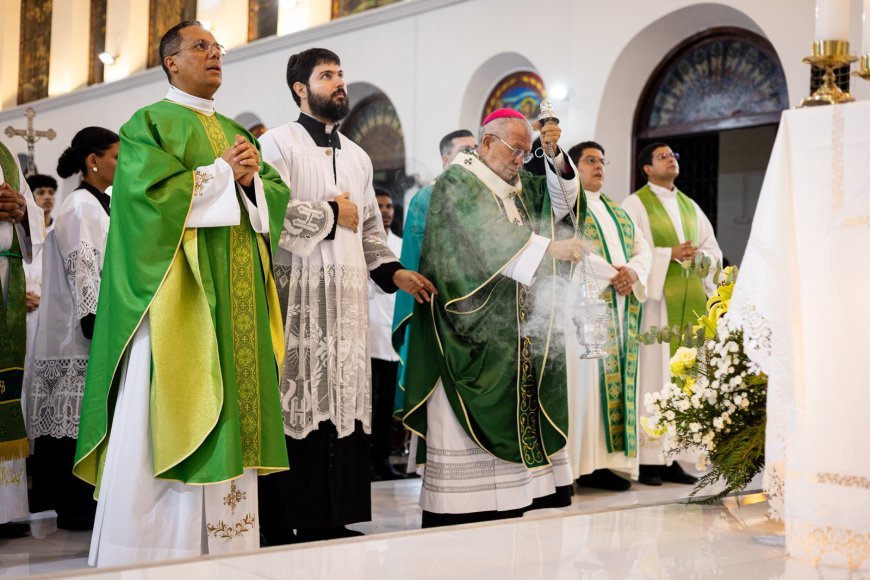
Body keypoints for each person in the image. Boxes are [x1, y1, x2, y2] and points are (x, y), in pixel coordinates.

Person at [73, 20, 291, 566]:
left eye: (218, 48)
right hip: (180, 303)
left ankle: (230, 547)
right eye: (201, 47)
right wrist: (223, 174)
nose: (215, 54)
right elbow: (147, 204)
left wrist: (251, 182)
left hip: (236, 299)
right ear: (171, 61)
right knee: (173, 406)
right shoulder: (148, 123)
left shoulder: (237, 130)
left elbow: (272, 199)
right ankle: (152, 550)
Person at [257, 47, 435, 544]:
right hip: (298, 307)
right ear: (300, 88)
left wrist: (397, 273)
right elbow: (266, 218)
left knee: (345, 409)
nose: (339, 83)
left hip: (349, 309)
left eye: (341, 75)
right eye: (326, 75)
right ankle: (288, 517)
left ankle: (336, 515)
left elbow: (373, 236)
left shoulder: (358, 155)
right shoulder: (277, 145)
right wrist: (332, 216)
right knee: (301, 403)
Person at [402, 108, 586, 527]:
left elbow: (562, 205)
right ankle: (462, 505)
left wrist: (553, 154)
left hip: (514, 328)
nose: (521, 160)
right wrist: (548, 250)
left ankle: (520, 493)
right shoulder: (458, 181)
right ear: (487, 143)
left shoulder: (516, 184)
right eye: (516, 150)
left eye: (526, 152)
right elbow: (481, 234)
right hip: (469, 325)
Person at [26, 128, 119, 530]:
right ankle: (76, 507)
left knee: (85, 422)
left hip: (89, 329)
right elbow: (84, 267)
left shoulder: (102, 203)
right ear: (93, 161)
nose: (123, 163)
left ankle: (87, 504)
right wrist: (95, 323)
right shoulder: (80, 206)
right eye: (117, 156)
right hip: (77, 335)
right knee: (74, 426)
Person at [622, 142, 723, 486]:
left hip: (690, 305)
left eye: (674, 156)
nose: (672, 160)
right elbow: (629, 250)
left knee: (686, 378)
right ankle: (650, 460)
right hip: (655, 309)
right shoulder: (634, 205)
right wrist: (668, 254)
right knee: (655, 376)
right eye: (663, 156)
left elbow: (713, 250)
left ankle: (677, 456)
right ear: (646, 169)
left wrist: (700, 259)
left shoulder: (690, 206)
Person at [564, 141, 651, 491]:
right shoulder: (568, 206)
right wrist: (612, 274)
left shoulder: (619, 211)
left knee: (609, 393)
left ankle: (601, 464)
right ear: (572, 166)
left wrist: (631, 271)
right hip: (585, 307)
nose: (598, 166)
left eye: (602, 160)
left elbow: (643, 249)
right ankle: (570, 468)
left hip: (620, 306)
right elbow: (569, 248)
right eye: (590, 160)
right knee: (582, 387)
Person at [392, 129, 477, 416]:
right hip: (440, 315)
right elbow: (420, 264)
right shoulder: (427, 198)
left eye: (476, 150)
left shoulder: (482, 198)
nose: (473, 157)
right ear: (445, 159)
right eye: (466, 151)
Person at [0, 141, 44, 539]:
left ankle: (7, 509)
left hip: (7, 280)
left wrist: (21, 212)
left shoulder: (6, 152)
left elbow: (33, 218)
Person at [369, 189, 405, 480]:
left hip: (392, 335)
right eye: (379, 205)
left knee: (386, 408)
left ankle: (384, 461)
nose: (385, 210)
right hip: (368, 336)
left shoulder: (402, 245)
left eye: (389, 205)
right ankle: (367, 463)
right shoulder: (363, 244)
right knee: (368, 406)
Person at [21, 174, 56, 395]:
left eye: (51, 192)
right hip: (20, 310)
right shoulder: (18, 231)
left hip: (49, 314)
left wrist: (47, 300)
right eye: (41, 192)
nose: (47, 198)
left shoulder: (60, 232)